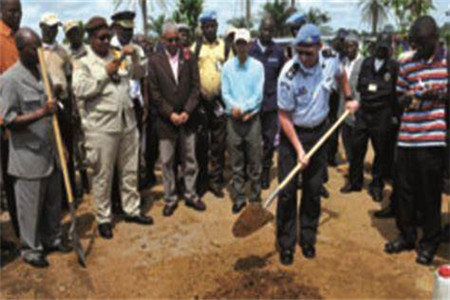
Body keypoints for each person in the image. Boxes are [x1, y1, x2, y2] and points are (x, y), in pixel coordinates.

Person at [276, 24, 358, 266]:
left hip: (320, 132)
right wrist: (299, 149)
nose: (302, 57)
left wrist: (349, 97)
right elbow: (283, 116)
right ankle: (286, 243)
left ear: (320, 48)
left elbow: (341, 75)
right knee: (288, 190)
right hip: (294, 137)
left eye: (308, 53)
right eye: (298, 51)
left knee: (313, 190)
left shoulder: (330, 60)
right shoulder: (288, 74)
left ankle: (308, 238)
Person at [72, 16, 153, 240]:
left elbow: (138, 74)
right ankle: (104, 218)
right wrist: (105, 73)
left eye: (108, 36)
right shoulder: (83, 60)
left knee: (129, 170)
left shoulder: (118, 55)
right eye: (102, 37)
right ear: (91, 38)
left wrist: (135, 55)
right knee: (103, 174)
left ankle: (132, 209)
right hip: (101, 127)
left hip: (126, 121)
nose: (106, 41)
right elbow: (81, 89)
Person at [1, 28, 73, 268]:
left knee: (53, 202)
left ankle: (52, 239)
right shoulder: (10, 80)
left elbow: (52, 107)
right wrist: (41, 112)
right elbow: (9, 120)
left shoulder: (43, 72)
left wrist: (60, 143)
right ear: (21, 50)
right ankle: (31, 250)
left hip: (50, 152)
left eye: (40, 46)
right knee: (29, 210)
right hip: (28, 157)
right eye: (34, 47)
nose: (39, 51)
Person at [384, 16, 448, 266]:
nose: (417, 49)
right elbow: (398, 96)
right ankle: (407, 235)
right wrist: (407, 98)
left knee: (430, 194)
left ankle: (430, 241)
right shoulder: (408, 64)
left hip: (432, 139)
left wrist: (437, 94)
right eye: (414, 44)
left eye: (421, 44)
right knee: (405, 192)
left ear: (434, 39)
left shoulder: (446, 61)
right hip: (407, 137)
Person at [147, 22, 206, 217]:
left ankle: (191, 194)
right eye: (169, 40)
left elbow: (195, 88)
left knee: (190, 159)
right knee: (167, 161)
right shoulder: (154, 61)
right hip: (166, 121)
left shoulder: (189, 57)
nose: (173, 43)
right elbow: (155, 94)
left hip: (188, 119)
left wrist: (187, 112)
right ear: (163, 40)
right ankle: (170, 198)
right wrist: (170, 113)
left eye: (176, 39)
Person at [340, 33, 398, 202]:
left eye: (385, 48)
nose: (381, 50)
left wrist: (394, 116)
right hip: (364, 113)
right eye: (379, 47)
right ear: (374, 47)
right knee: (357, 148)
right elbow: (360, 87)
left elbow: (394, 93)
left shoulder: (393, 66)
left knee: (380, 152)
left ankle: (377, 185)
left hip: (382, 115)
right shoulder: (366, 63)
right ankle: (354, 181)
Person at [222, 28, 264, 214]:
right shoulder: (227, 67)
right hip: (233, 120)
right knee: (236, 162)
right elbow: (225, 93)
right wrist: (235, 110)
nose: (241, 47)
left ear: (250, 44)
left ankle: (255, 197)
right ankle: (239, 197)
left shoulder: (257, 67)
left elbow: (258, 94)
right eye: (238, 43)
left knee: (255, 161)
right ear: (234, 44)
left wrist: (245, 109)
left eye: (244, 43)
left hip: (252, 120)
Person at [192, 10, 229, 198]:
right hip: (200, 102)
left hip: (219, 101)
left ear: (217, 26)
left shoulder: (224, 47)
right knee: (201, 143)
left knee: (219, 143)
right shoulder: (196, 48)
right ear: (202, 28)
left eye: (213, 25)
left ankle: (216, 181)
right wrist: (200, 91)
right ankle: (202, 181)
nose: (210, 29)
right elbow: (191, 74)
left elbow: (229, 73)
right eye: (206, 26)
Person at [248, 16, 285, 190]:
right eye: (264, 29)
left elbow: (283, 77)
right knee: (252, 141)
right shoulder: (249, 50)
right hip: (252, 105)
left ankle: (264, 172)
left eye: (271, 30)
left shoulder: (278, 52)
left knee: (269, 142)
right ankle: (252, 172)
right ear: (259, 29)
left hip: (271, 105)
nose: (267, 33)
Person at [0, 0, 22, 245]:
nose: (16, 16)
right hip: (5, 123)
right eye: (11, 12)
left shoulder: (19, 39)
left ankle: (20, 229)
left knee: (14, 179)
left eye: (19, 12)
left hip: (21, 120)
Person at [338, 33, 364, 164]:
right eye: (346, 47)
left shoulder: (364, 63)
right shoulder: (342, 62)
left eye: (351, 46)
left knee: (357, 142)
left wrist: (358, 103)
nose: (348, 50)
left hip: (357, 111)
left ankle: (356, 168)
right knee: (346, 139)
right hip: (343, 109)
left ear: (357, 46)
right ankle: (350, 163)